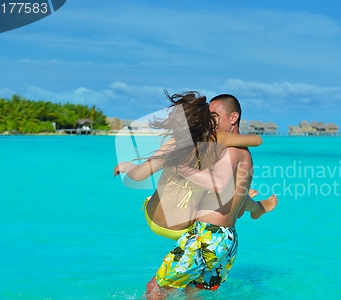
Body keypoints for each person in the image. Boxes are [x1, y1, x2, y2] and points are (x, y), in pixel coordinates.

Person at [145, 94, 278, 300]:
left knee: (155, 290)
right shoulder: (246, 155)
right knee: (191, 296)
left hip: (207, 236)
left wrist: (180, 168)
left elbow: (217, 184)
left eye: (215, 116)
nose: (210, 121)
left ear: (233, 118)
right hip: (227, 240)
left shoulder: (229, 151)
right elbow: (238, 209)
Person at [114, 92, 275, 241]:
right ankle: (255, 207)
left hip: (153, 218)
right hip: (184, 229)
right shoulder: (218, 140)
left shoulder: (173, 145)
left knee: (215, 180)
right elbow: (257, 140)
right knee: (227, 184)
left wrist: (127, 166)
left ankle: (250, 203)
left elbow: (138, 176)